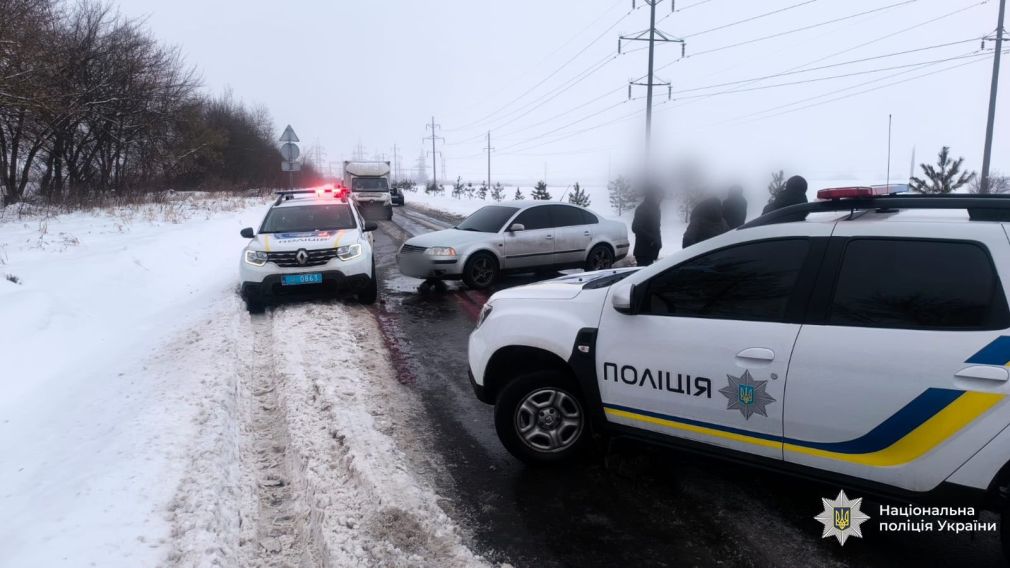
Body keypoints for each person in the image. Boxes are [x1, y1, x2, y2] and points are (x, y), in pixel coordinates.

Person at [632, 190, 662, 266]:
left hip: (651, 250)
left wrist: (659, 242)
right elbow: (635, 227)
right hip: (643, 250)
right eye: (658, 196)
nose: (660, 198)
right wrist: (652, 239)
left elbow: (656, 228)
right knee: (643, 275)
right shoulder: (642, 208)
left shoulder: (656, 209)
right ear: (652, 196)